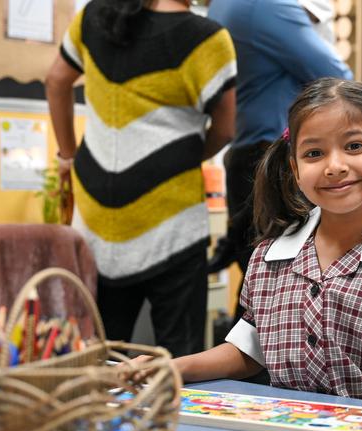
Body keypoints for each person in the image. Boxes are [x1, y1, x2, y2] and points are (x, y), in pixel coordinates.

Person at [151, 78, 362, 428]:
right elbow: (250, 350)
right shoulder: (267, 260)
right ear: (295, 170)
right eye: (314, 153)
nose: (334, 166)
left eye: (354, 146)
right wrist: (173, 368)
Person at [45, 0, 236, 357]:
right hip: (172, 220)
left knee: (95, 355)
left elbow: (56, 81)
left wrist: (67, 157)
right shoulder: (206, 37)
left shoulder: (93, 16)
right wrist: (180, 160)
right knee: (180, 361)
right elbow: (225, 128)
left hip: (97, 217)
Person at [206, 0, 353, 325]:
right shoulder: (265, 6)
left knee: (257, 287)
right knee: (284, 289)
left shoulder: (221, 6)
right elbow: (340, 81)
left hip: (245, 156)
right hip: (276, 161)